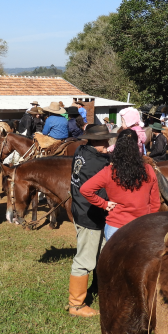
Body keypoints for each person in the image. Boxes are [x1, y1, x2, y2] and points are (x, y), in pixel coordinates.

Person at [68, 124, 117, 317]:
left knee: (95, 253)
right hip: (90, 214)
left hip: (79, 209)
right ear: (95, 142)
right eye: (104, 141)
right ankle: (76, 305)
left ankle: (93, 290)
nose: (107, 144)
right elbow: (105, 192)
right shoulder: (97, 164)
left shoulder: (81, 151)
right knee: (84, 259)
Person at [80, 129, 160, 241]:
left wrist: (104, 204)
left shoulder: (109, 171)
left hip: (115, 227)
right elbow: (155, 203)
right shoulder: (148, 170)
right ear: (136, 146)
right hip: (142, 226)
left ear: (117, 147)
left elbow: (85, 189)